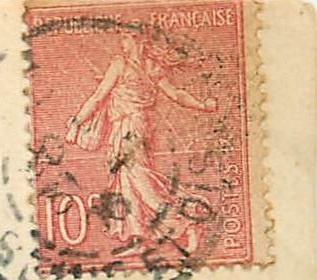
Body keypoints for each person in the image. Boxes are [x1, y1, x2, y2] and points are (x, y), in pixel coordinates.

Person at [65, 32, 218, 256]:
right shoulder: (148, 66)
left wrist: (77, 123)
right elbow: (176, 94)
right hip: (128, 127)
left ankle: (186, 223)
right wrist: (202, 105)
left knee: (139, 180)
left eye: (126, 38)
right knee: (127, 182)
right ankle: (138, 237)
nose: (122, 42)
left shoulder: (123, 64)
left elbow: (99, 96)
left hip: (131, 128)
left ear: (138, 40)